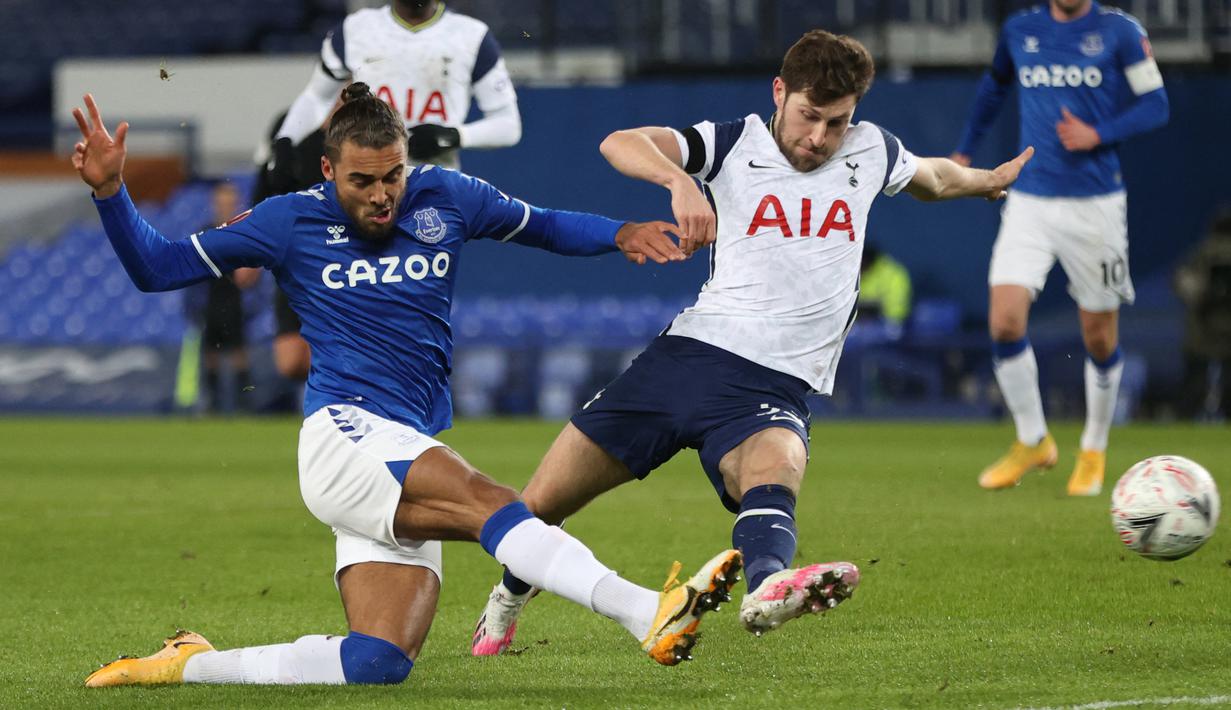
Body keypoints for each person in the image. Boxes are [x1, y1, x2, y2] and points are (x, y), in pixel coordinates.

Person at [72, 84, 742, 688]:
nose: (381, 194)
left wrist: (619, 233)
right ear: (328, 170)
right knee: (494, 503)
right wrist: (110, 192)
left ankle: (188, 664)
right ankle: (647, 611)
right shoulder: (287, 220)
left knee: (379, 661)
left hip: (400, 447)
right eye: (362, 180)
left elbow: (541, 224)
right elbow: (158, 267)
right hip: (344, 435)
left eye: (392, 174)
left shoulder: (447, 196)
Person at [470, 29, 1033, 656]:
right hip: (688, 360)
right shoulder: (732, 143)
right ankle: (506, 601)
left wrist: (985, 180)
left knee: (777, 471)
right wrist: (680, 182)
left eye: (837, 122)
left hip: (775, 384)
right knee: (538, 506)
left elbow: (935, 177)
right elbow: (620, 141)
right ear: (779, 92)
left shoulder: (872, 150)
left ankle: (768, 588)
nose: (819, 137)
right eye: (808, 115)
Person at [950, 0, 1169, 495]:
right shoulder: (1020, 30)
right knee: (1004, 321)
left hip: (1095, 206)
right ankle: (1033, 440)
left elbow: (1156, 104)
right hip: (1029, 201)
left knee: (1099, 337)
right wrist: (964, 149)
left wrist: (1099, 133)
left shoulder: (1120, 31)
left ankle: (1093, 448)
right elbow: (993, 88)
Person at [274, 0, 519, 173]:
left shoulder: (472, 36)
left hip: (436, 183)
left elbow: (508, 125)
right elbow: (317, 97)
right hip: (365, 181)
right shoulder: (355, 30)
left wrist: (455, 136)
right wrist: (285, 140)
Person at [181, 182, 262, 412]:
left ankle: (244, 402)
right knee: (211, 353)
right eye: (222, 201)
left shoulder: (242, 231)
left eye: (229, 201)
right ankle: (212, 402)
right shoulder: (206, 232)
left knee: (238, 352)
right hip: (211, 301)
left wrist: (251, 274)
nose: (225, 206)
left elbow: (255, 268)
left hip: (235, 301)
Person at [1173, 209, 1231, 420]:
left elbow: (1184, 283)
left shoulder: (1202, 252)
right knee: (1198, 381)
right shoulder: (1204, 253)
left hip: (1202, 331)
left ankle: (1186, 417)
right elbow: (1187, 285)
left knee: (1195, 382)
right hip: (1206, 328)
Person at [857, 244, 912, 332]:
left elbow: (896, 313)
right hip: (857, 326)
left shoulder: (894, 275)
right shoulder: (850, 272)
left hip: (887, 326)